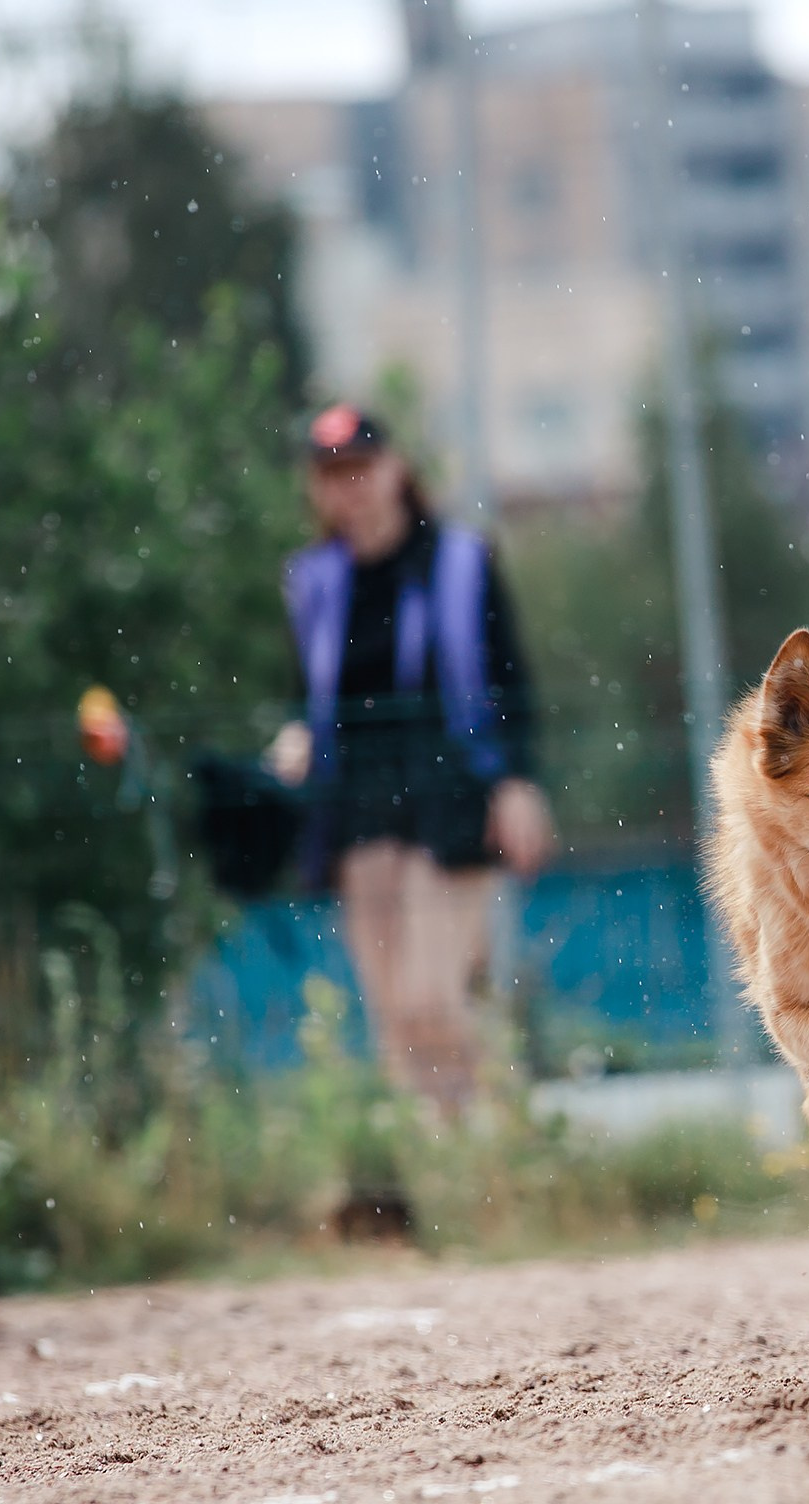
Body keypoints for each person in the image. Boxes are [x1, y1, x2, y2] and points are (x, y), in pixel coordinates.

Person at [266, 404, 552, 1112]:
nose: (349, 487)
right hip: (358, 805)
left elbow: (510, 680)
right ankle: (442, 1161)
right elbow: (306, 696)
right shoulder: (311, 582)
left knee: (434, 997)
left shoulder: (460, 561)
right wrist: (294, 736)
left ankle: (488, 1148)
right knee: (396, 1013)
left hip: (449, 795)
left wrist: (516, 781)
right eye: (332, 474)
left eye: (360, 468)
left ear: (395, 469)